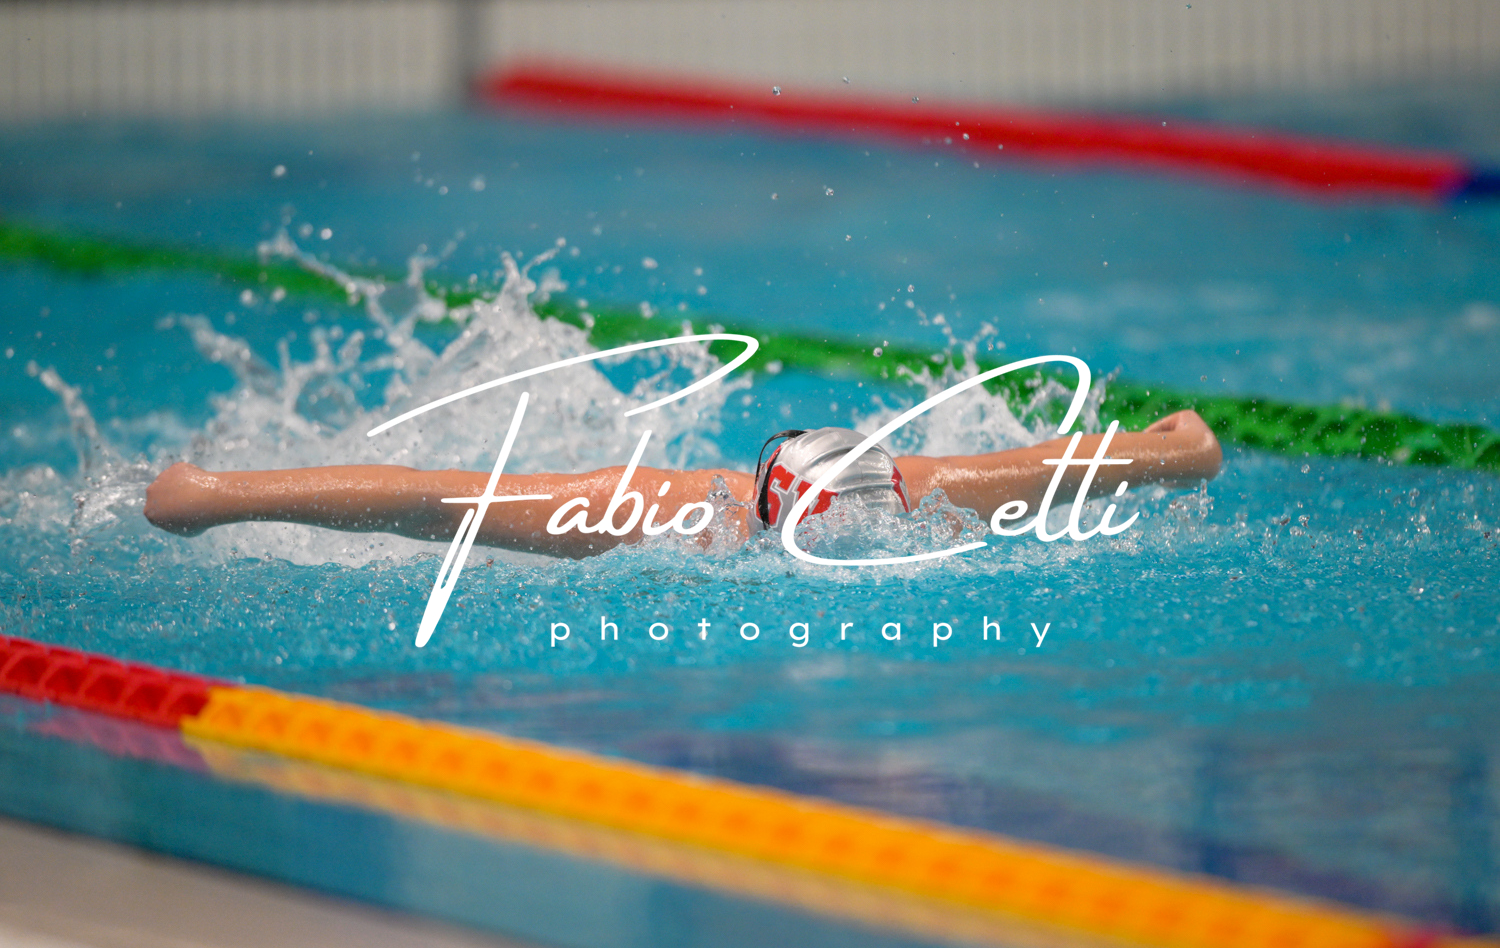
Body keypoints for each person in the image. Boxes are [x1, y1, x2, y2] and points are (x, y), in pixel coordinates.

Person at [143, 410, 1221, 558]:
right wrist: (219, 493)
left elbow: (1085, 460)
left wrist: (1179, 449)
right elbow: (429, 493)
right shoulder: (663, 513)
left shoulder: (914, 495)